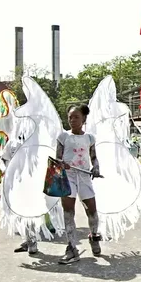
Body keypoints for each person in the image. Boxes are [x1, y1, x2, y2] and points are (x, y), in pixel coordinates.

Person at [56, 104, 102, 264]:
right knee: (68, 212)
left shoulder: (89, 138)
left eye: (76, 117)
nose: (72, 120)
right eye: (70, 117)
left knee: (93, 213)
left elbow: (94, 157)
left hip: (84, 177)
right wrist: (61, 164)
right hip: (67, 177)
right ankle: (72, 248)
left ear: (84, 119)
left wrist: (96, 167)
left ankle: (94, 236)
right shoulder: (63, 137)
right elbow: (58, 159)